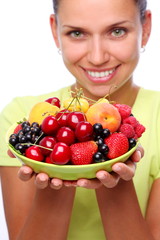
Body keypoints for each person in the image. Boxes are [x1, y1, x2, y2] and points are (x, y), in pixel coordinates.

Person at [0, 0, 160, 239]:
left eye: (117, 31)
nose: (97, 58)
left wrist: (113, 177)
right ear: (55, 31)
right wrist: (55, 171)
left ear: (145, 28)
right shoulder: (23, 118)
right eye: (77, 33)